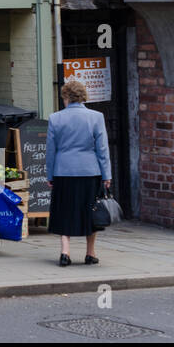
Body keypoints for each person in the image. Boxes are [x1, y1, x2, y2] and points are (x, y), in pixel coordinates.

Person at [47, 79, 112, 266]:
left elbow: (51, 150)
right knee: (90, 211)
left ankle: (65, 252)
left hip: (63, 171)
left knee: (64, 209)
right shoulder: (96, 117)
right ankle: (90, 253)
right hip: (90, 171)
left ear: (66, 96)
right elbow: (102, 149)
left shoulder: (55, 118)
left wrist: (50, 175)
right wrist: (106, 174)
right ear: (83, 97)